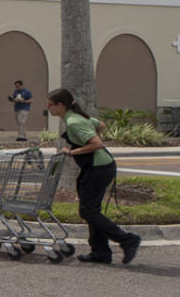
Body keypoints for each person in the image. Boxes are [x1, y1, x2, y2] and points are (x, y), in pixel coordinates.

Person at [48, 88, 141, 265]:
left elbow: (97, 144)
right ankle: (100, 252)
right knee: (92, 210)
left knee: (87, 210)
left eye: (50, 104)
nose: (48, 107)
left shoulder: (74, 121)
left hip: (99, 167)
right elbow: (101, 126)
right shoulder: (77, 118)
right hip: (97, 167)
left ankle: (127, 240)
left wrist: (73, 152)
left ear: (60, 105)